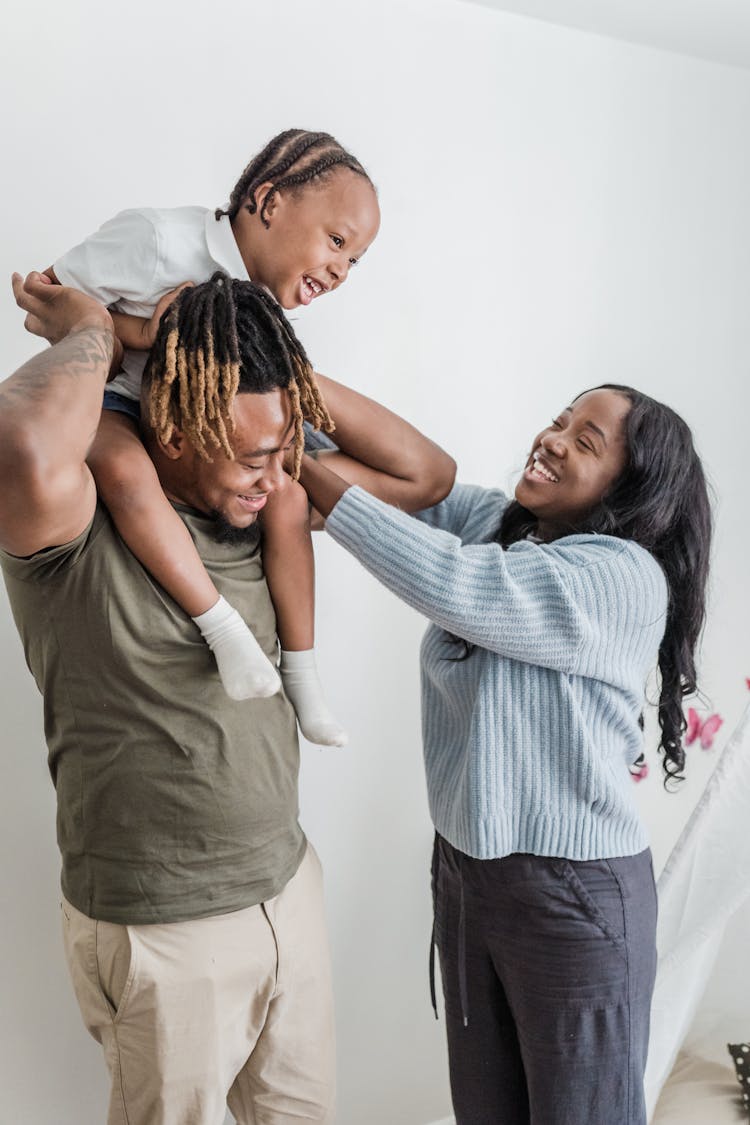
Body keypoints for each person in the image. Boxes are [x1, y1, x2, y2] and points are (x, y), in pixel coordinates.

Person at [0, 270, 456, 1125]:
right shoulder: (72, 518)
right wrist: (97, 330)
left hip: (287, 886)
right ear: (176, 418)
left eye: (285, 448)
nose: (275, 474)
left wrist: (272, 371)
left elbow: (425, 474)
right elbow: (20, 441)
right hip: (164, 934)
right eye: (252, 453)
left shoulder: (266, 497)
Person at [298, 384, 712, 1125]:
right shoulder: (504, 526)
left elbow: (459, 584)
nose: (552, 438)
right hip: (469, 879)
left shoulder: (623, 578)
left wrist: (292, 458)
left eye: (586, 441)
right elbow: (420, 475)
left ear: (634, 487)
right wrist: (280, 379)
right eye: (560, 420)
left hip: (574, 899)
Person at [44, 127, 381, 746]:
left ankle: (302, 672)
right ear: (271, 202)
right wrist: (148, 333)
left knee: (290, 498)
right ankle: (222, 628)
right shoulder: (157, 240)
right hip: (120, 402)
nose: (341, 270)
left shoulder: (268, 304)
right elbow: (47, 297)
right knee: (124, 474)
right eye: (336, 242)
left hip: (201, 432)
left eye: (354, 260)